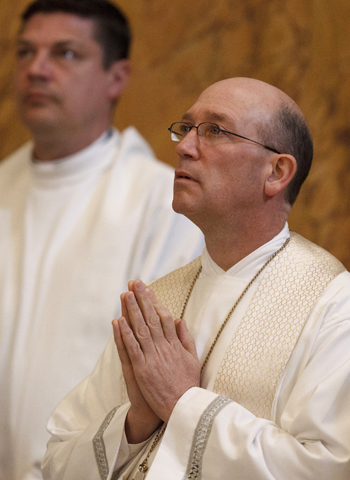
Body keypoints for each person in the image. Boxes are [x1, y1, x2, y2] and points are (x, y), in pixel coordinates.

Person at [42, 77, 350, 480]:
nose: (183, 147)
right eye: (185, 128)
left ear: (276, 172)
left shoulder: (341, 310)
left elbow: (331, 471)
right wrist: (134, 425)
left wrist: (183, 405)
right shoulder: (156, 304)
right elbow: (58, 456)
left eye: (214, 131)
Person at [0, 0, 204, 479]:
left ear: (117, 76)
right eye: (24, 52)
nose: (37, 70)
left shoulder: (161, 204)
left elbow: (160, 374)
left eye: (65, 54)